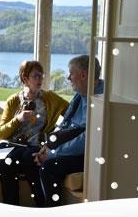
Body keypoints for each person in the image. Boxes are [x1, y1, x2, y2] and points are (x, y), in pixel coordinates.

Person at [0, 60, 69, 206]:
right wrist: (18, 119)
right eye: (35, 76)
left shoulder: (50, 98)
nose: (40, 79)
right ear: (25, 78)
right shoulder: (14, 100)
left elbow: (72, 113)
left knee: (16, 161)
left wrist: (58, 134)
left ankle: (29, 207)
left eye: (41, 76)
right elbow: (2, 133)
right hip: (11, 145)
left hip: (34, 146)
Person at [32, 55, 104, 207]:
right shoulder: (80, 95)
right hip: (75, 145)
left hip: (90, 153)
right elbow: (65, 125)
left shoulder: (100, 99)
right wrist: (49, 146)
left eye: (71, 73)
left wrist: (54, 153)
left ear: (83, 75)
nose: (68, 78)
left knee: (48, 167)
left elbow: (87, 138)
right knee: (32, 158)